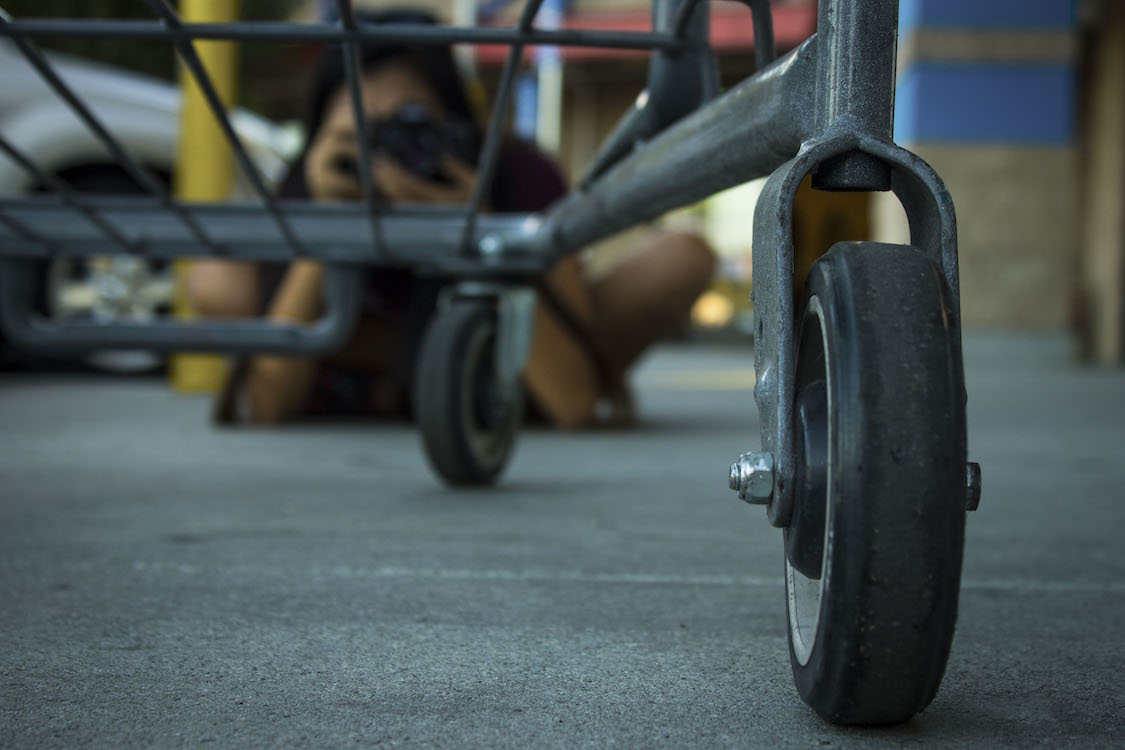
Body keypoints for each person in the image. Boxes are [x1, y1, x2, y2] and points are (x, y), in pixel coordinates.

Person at [187, 8, 714, 429]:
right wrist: (332, 225)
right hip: (373, 343)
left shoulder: (518, 172)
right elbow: (269, 405)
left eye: (409, 128)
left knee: (680, 255)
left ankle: (439, 375)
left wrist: (476, 233)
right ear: (323, 135)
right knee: (214, 280)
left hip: (504, 344)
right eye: (360, 136)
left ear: (460, 127)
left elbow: (572, 403)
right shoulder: (317, 178)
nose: (385, 158)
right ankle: (419, 373)